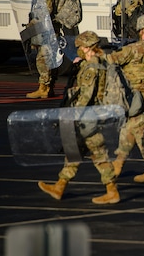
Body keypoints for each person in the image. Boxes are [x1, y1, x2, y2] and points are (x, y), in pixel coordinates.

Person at [37, 31, 120, 204]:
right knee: (75, 153)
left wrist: (73, 116)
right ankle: (60, 186)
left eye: (81, 47)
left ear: (88, 47)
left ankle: (112, 190)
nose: (79, 50)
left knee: (99, 155)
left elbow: (86, 96)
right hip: (93, 115)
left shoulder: (91, 68)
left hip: (87, 117)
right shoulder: (100, 63)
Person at [107, 14, 144, 183]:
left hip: (138, 97)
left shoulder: (135, 48)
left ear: (140, 30)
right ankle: (118, 166)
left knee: (141, 132)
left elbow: (111, 60)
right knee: (130, 130)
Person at [27, 0, 64, 99]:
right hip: (55, 29)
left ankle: (43, 88)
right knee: (52, 58)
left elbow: (46, 11)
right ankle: (50, 87)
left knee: (42, 59)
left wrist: (34, 22)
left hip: (47, 29)